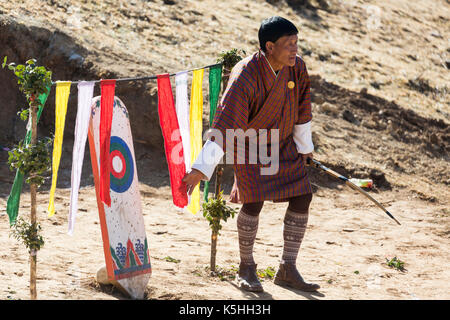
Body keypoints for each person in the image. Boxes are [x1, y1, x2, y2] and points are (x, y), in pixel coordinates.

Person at [182, 16, 319, 292]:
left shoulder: (297, 68)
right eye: (288, 44)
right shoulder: (246, 74)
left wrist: (304, 148)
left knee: (303, 195)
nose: (295, 50)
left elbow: (303, 108)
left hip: (281, 142)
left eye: (296, 43)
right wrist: (201, 168)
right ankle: (246, 267)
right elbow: (226, 121)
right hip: (248, 143)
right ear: (269, 46)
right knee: (253, 201)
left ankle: (287, 268)